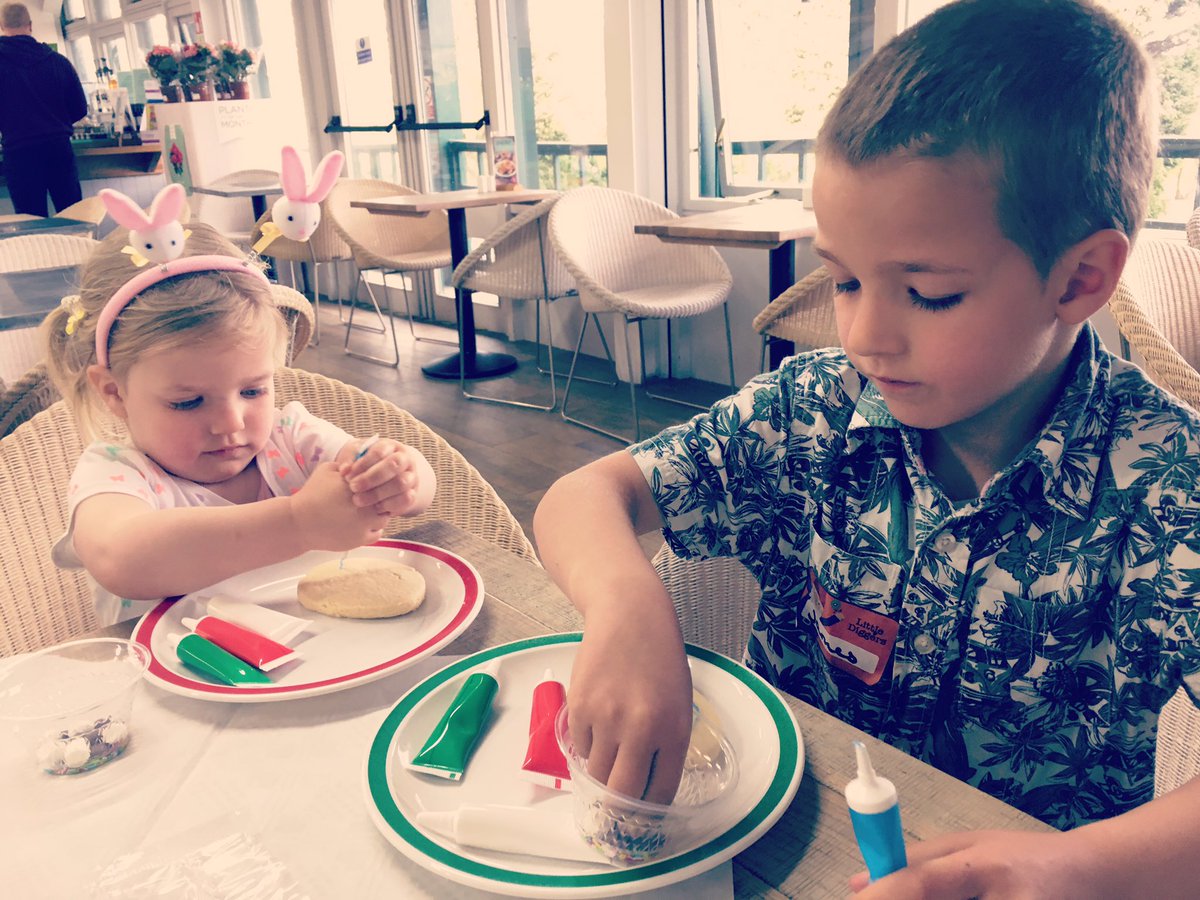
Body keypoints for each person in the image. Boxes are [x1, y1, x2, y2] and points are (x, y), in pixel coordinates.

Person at [534, 0, 1200, 895]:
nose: (864, 337)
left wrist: (1082, 866)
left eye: (926, 293)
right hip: (781, 847)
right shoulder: (811, 412)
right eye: (844, 279)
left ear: (1079, 279)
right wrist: (627, 603)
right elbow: (581, 497)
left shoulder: (1166, 483)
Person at [44, 221, 436, 626]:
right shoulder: (116, 474)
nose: (230, 423)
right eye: (188, 402)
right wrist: (296, 523)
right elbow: (120, 559)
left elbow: (419, 488)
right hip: (183, 682)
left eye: (253, 391)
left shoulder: (292, 438)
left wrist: (398, 476)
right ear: (114, 392)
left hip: (324, 661)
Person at [0, 2, 86, 216]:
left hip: (19, 153)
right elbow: (80, 109)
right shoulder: (58, 62)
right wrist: (56, 122)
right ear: (30, 25)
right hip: (58, 149)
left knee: (31, 221)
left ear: (1, 27)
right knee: (72, 217)